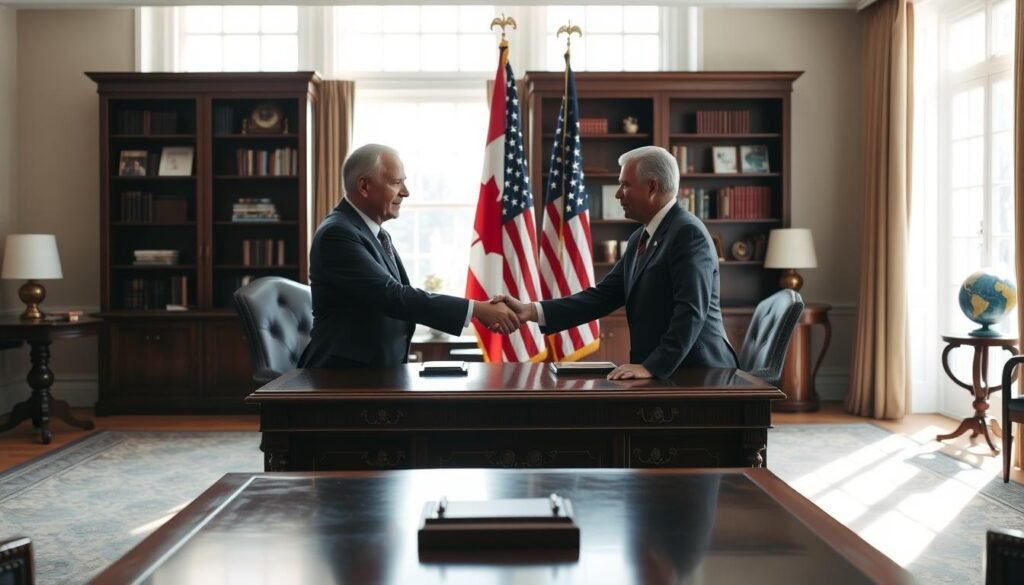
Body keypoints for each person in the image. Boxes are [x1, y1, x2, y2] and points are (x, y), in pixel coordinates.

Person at [494, 145, 737, 380]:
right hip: (667, 373)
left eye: (625, 185)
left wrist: (653, 367)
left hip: (698, 375)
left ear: (652, 186)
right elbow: (603, 297)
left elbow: (690, 311)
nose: (618, 193)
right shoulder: (640, 238)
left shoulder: (687, 233)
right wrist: (531, 311)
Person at [298, 144, 520, 369]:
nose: (405, 192)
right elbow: (392, 296)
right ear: (364, 186)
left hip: (376, 373)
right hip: (342, 379)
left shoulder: (373, 232)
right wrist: (476, 309)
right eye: (396, 182)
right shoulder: (337, 234)